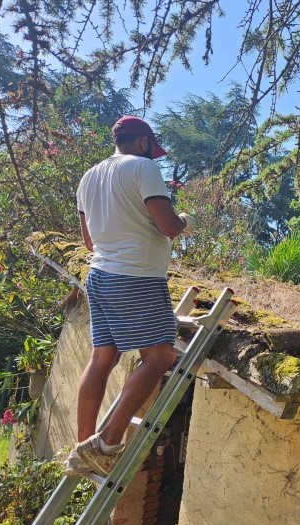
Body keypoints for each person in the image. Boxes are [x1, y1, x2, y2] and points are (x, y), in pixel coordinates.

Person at [64, 116, 196, 477]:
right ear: (143, 143)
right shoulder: (144, 168)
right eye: (152, 149)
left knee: (102, 358)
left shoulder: (88, 177)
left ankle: (82, 447)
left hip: (100, 276)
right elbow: (168, 227)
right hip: (136, 277)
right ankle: (107, 443)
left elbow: (89, 243)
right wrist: (185, 220)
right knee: (159, 356)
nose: (153, 154)